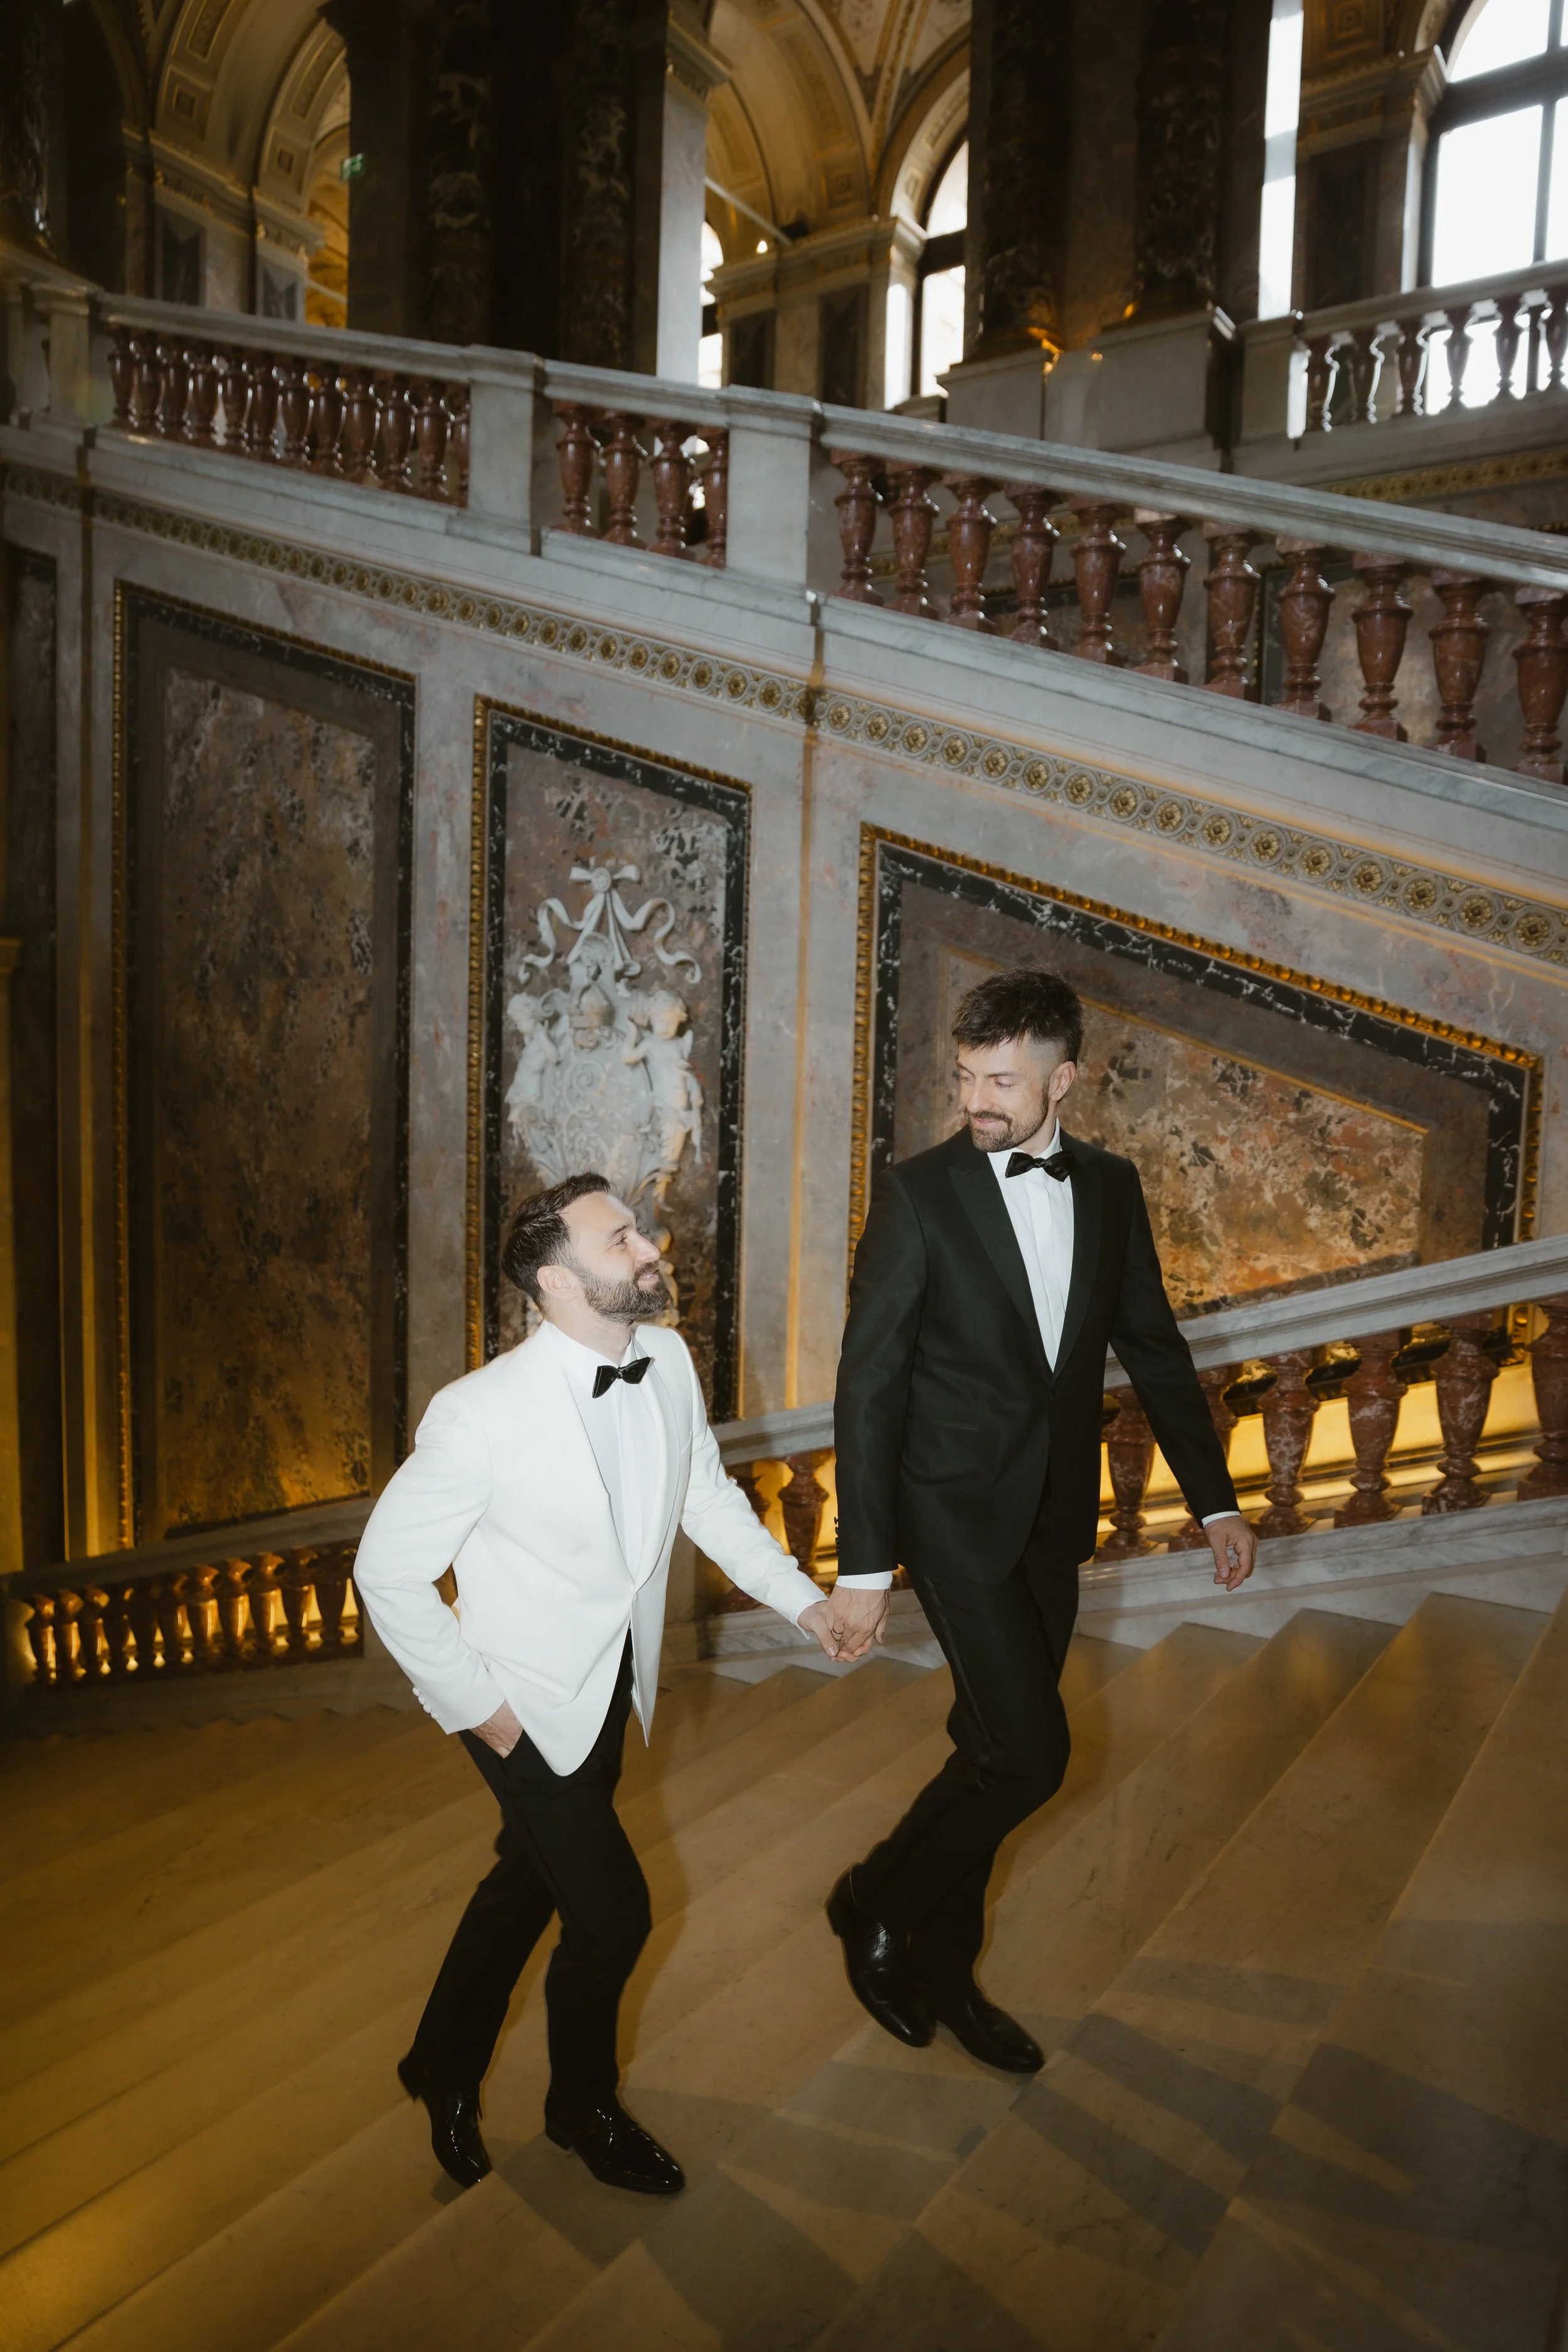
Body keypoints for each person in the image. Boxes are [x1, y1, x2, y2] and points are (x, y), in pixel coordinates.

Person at [352, 1174, 849, 2196]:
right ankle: (581, 2106)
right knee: (614, 1913)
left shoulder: (664, 1360)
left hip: (613, 1681)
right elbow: (385, 1571)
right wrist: (479, 1709)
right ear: (556, 1278)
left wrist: (804, 1602)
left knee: (529, 1879)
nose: (650, 1244)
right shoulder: (476, 1414)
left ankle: (438, 2063)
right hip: (517, 1705)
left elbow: (705, 1498)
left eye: (637, 1229)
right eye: (621, 1237)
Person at [824, 967, 1255, 2073]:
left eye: (1003, 1079)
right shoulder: (919, 1192)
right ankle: (877, 1903)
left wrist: (1214, 1499)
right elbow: (867, 1388)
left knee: (986, 1749)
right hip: (954, 1516)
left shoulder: (1111, 1185)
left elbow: (1152, 1346)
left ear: (1064, 1078)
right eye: (967, 1075)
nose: (978, 1098)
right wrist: (865, 1563)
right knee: (1032, 1751)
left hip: (1054, 1519)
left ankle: (943, 1968)